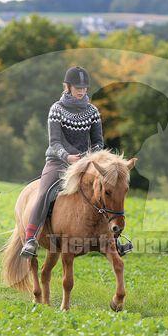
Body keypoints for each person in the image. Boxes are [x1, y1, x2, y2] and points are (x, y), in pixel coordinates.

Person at [20, 66, 132, 258]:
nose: (81, 91)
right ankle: (31, 239)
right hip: (58, 162)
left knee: (106, 191)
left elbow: (98, 142)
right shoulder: (57, 109)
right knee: (44, 193)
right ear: (68, 86)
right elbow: (54, 143)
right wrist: (68, 157)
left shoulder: (93, 111)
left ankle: (114, 240)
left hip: (86, 163)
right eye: (77, 87)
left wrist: (92, 157)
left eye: (84, 88)